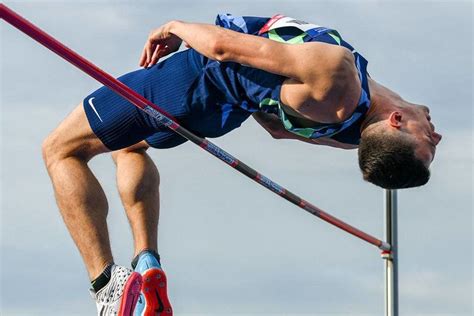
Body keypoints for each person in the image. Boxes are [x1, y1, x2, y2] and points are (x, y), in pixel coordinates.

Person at [41, 14, 442, 315]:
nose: (436, 135)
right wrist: (252, 91)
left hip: (191, 79)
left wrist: (174, 27)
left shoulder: (336, 73)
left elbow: (222, 48)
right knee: (128, 148)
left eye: (429, 142)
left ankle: (106, 284)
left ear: (396, 123)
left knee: (61, 149)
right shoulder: (354, 129)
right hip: (218, 114)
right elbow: (279, 130)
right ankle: (147, 263)